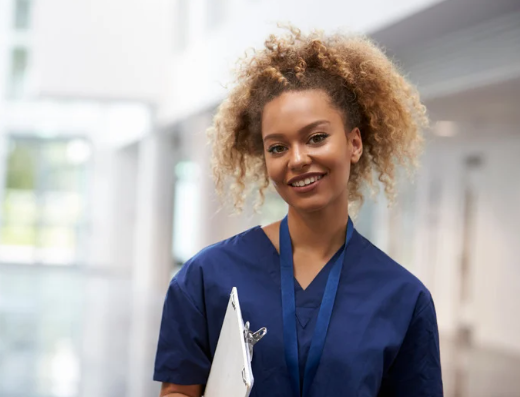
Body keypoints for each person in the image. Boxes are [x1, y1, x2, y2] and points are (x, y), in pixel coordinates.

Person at [154, 27, 442, 397]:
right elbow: (178, 390)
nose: (298, 159)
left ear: (354, 143)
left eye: (316, 137)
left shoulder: (403, 298)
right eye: (277, 147)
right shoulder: (206, 277)